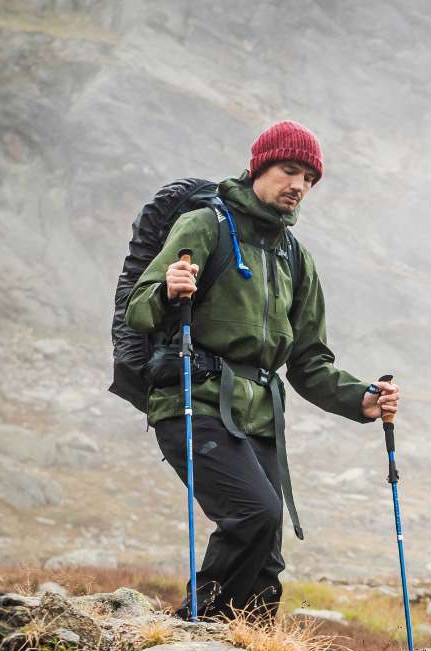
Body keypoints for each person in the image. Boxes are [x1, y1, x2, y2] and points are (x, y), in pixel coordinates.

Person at [122, 121, 402, 620]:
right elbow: (139, 309)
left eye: (310, 179)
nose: (298, 185)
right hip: (194, 401)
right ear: (259, 168)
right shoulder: (205, 226)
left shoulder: (296, 258)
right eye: (288, 170)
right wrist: (168, 286)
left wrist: (360, 397)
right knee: (254, 514)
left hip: (260, 418)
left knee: (267, 554)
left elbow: (310, 363)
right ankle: (200, 628)